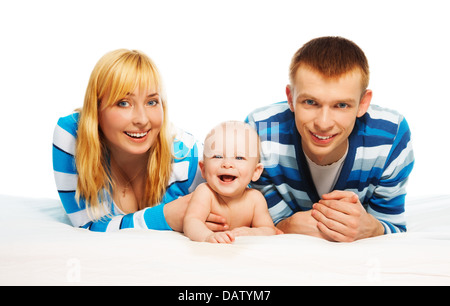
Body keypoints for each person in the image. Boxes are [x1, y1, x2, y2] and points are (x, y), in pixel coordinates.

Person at [245, 36, 414, 242]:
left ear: (363, 103)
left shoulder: (391, 137)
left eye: (341, 105)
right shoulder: (260, 131)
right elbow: (251, 218)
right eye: (310, 102)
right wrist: (284, 225)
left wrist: (374, 229)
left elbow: (394, 230)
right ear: (290, 98)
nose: (323, 124)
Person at [52, 49, 227, 232]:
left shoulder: (187, 156)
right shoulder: (74, 134)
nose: (142, 120)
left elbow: (245, 201)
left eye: (152, 102)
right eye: (123, 103)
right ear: (96, 108)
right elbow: (86, 225)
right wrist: (164, 217)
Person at [183, 121, 277, 243]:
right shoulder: (205, 193)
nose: (227, 164)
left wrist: (252, 232)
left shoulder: (255, 199)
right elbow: (191, 222)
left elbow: (269, 230)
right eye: (217, 156)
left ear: (256, 172)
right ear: (204, 169)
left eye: (239, 158)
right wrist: (207, 236)